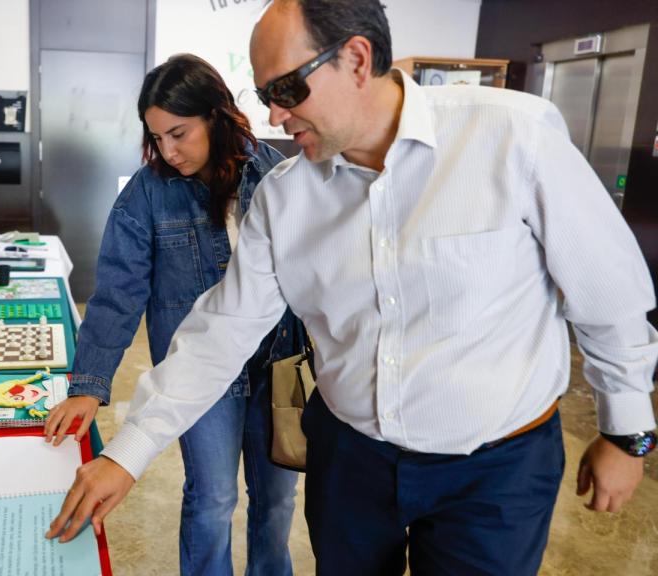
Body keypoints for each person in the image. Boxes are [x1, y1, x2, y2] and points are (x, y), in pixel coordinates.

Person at [46, 1, 658, 574]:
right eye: (265, 96)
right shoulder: (286, 196)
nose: (274, 116)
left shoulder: (510, 136)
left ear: (357, 59)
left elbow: (608, 292)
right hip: (350, 463)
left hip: (494, 472)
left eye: (286, 90)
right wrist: (128, 450)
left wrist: (625, 429)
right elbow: (222, 330)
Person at [41, 53, 307, 575]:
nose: (168, 151)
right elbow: (118, 293)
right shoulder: (147, 194)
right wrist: (89, 383)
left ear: (216, 116)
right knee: (212, 497)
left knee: (277, 499)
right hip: (199, 372)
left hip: (277, 365)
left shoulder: (276, 174)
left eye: (179, 134)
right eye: (157, 137)